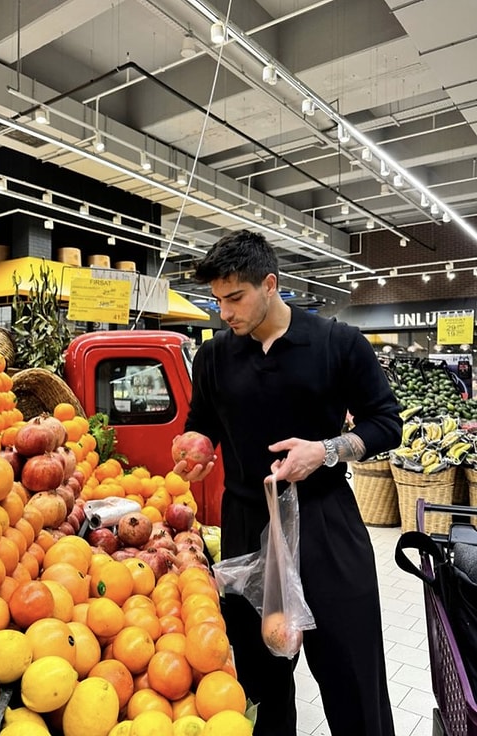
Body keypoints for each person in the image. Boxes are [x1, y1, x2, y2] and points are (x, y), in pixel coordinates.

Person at [172, 230, 402, 736]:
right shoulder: (213, 358)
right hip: (247, 528)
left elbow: (386, 422)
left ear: (270, 284)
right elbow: (203, 421)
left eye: (235, 298)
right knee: (260, 686)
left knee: (352, 675)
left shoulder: (338, 343)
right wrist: (195, 443)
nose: (225, 313)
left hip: (326, 526)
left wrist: (325, 452)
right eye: (217, 301)